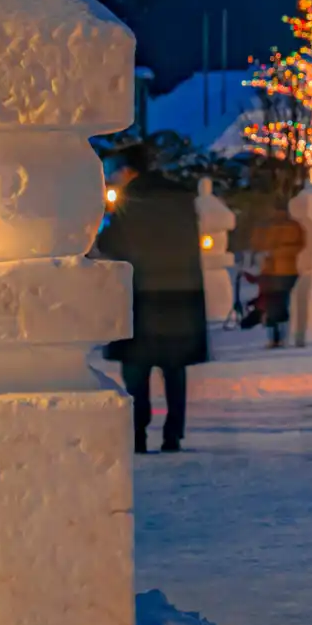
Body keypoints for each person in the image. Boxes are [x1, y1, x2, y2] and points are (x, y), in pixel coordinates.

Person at [95, 143, 207, 453]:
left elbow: (110, 243)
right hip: (179, 294)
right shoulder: (180, 198)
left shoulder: (132, 203)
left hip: (140, 295)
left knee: (136, 368)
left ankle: (138, 433)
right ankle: (173, 434)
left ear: (129, 171)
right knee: (174, 368)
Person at [252, 205, 304, 347]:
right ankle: (275, 337)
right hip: (273, 271)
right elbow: (257, 244)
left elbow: (298, 246)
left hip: (284, 271)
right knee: (273, 304)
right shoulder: (268, 226)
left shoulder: (292, 227)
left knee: (279, 304)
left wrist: (276, 252)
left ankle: (279, 337)